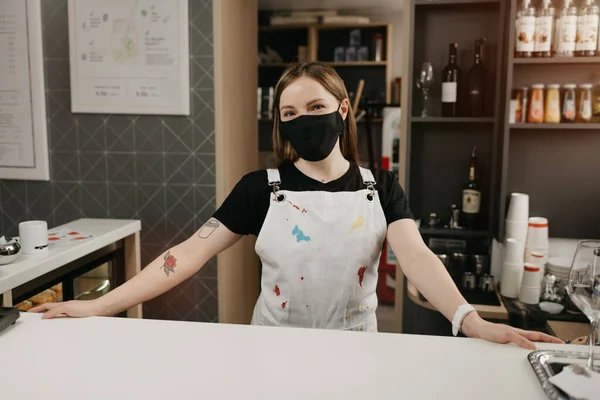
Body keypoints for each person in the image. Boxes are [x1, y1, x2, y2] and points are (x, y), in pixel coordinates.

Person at [31, 62, 561, 349]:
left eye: (315, 107)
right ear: (280, 123)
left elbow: (416, 258)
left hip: (358, 353)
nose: (303, 119)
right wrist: (97, 305)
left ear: (343, 110)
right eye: (290, 112)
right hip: (274, 354)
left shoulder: (382, 188)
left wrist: (472, 321)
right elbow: (186, 257)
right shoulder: (259, 189)